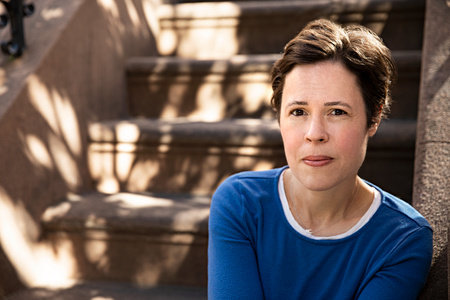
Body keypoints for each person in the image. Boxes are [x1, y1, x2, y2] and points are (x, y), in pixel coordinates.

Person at [208, 19, 432, 299]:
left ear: (373, 118)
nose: (315, 134)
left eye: (337, 112)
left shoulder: (402, 240)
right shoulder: (241, 203)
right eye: (298, 112)